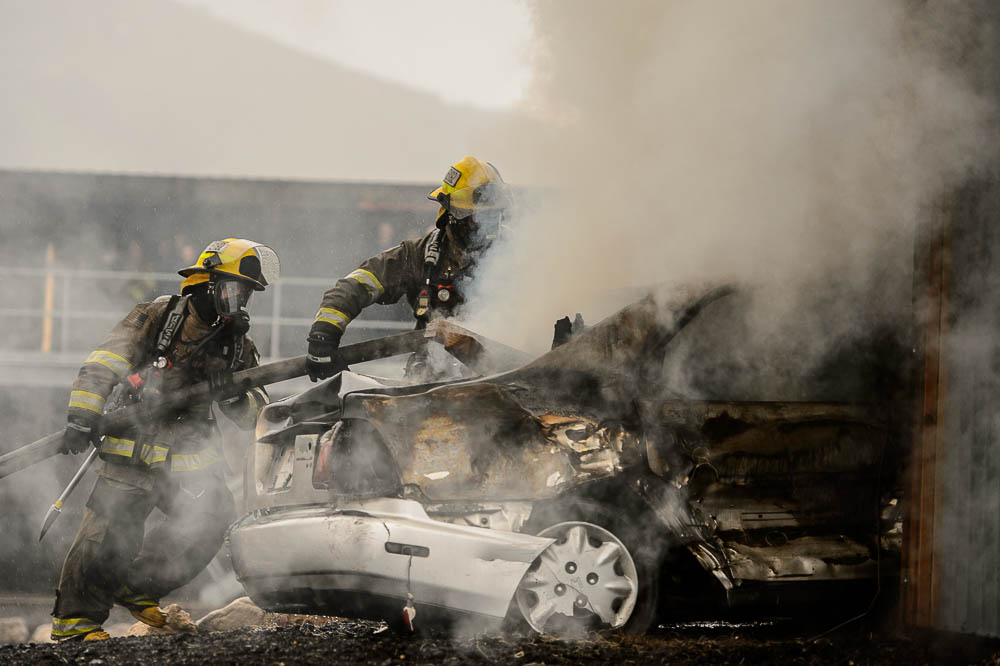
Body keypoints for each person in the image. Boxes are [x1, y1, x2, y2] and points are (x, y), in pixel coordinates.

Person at [50, 238, 278, 641]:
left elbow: (255, 413)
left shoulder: (238, 343)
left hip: (190, 454)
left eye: (244, 294)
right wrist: (82, 414)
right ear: (208, 284)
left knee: (209, 518)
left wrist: (234, 393)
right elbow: (105, 361)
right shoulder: (157, 316)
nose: (238, 301)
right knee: (106, 532)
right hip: (131, 443)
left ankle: (137, 586)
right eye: (233, 290)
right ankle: (75, 623)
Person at [305, 155, 513, 382]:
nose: (488, 225)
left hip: (503, 377)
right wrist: (324, 334)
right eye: (478, 217)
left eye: (494, 215)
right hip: (427, 379)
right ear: (452, 215)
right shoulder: (419, 255)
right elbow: (357, 284)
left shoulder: (520, 255)